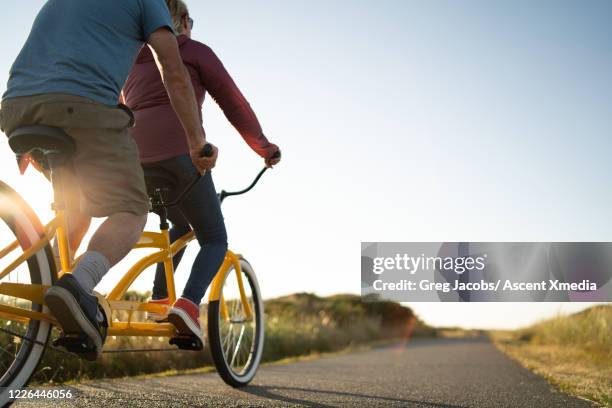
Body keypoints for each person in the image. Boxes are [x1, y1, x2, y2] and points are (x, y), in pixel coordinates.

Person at [0, 0, 218, 360]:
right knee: (132, 209)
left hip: (16, 108)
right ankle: (77, 287)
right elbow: (173, 71)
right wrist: (196, 142)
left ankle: (54, 297)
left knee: (74, 210)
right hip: (80, 105)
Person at [122, 0, 281, 338]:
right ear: (179, 20)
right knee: (214, 237)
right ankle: (189, 305)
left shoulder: (130, 60)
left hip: (133, 159)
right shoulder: (193, 50)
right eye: (190, 20)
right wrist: (264, 148)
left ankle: (160, 298)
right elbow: (234, 103)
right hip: (180, 153)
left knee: (182, 221)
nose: (191, 27)